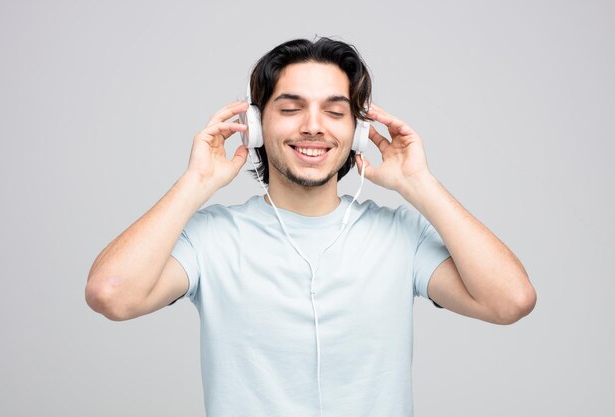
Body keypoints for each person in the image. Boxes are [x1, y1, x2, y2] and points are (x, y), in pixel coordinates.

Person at [85, 37, 536, 417]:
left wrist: (421, 184)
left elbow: (511, 301)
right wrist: (195, 182)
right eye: (291, 108)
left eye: (335, 112)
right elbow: (112, 294)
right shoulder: (211, 237)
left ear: (357, 132)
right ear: (258, 126)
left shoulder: (401, 235)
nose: (313, 127)